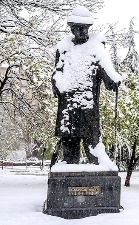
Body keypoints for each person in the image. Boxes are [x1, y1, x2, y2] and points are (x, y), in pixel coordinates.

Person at [51, 6, 122, 164]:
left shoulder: (96, 48)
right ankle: (69, 173)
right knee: (69, 149)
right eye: (79, 28)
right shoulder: (63, 49)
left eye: (85, 28)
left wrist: (113, 81)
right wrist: (57, 83)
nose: (82, 31)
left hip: (87, 106)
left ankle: (99, 172)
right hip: (67, 106)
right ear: (72, 29)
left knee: (93, 148)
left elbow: (106, 71)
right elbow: (58, 72)